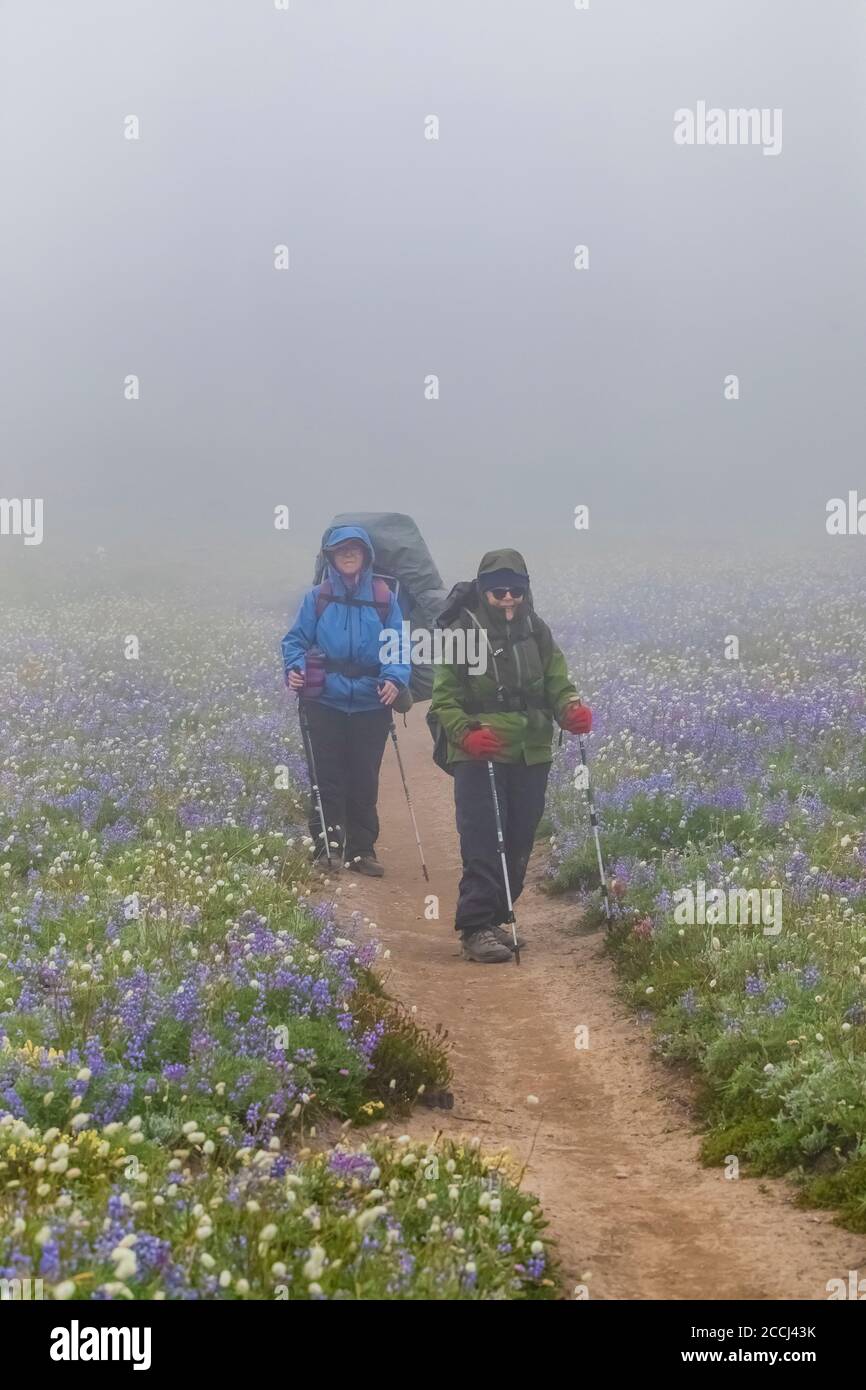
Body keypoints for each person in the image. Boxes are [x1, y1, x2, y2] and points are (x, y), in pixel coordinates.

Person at [430, 548, 592, 962]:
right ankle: (474, 926)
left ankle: (497, 917)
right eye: (498, 591)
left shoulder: (537, 630)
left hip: (531, 749)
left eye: (515, 591)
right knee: (485, 835)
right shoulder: (461, 634)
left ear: (525, 591)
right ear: (484, 591)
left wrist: (570, 708)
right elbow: (444, 697)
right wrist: (466, 733)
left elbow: (557, 680)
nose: (507, 598)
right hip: (480, 750)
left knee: (520, 836)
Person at [281, 525, 411, 876]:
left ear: (366, 555)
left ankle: (361, 850)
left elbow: (398, 645)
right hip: (324, 701)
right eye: (341, 550)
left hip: (371, 702)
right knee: (326, 775)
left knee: (363, 777)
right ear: (331, 558)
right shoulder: (318, 597)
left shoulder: (385, 597)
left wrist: (396, 678)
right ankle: (327, 848)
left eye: (354, 549)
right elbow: (295, 641)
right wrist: (294, 668)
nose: (348, 554)